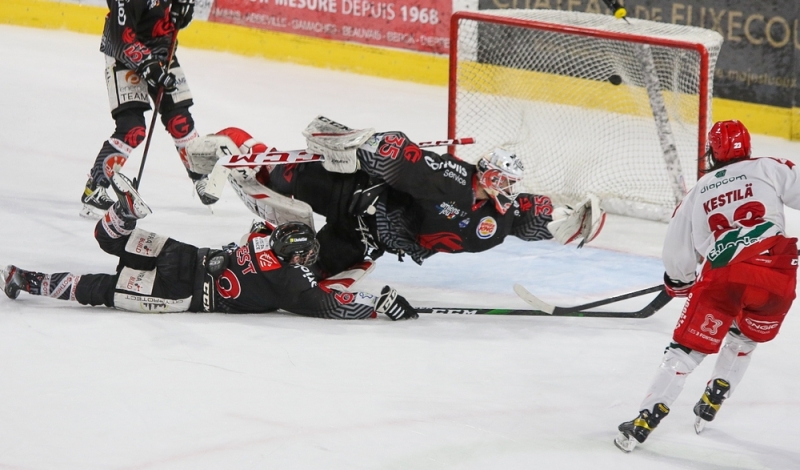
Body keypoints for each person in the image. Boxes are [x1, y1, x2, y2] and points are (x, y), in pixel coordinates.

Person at [182, 116, 607, 276]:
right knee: (269, 173)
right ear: (490, 175)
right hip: (349, 193)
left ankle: (254, 249)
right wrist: (367, 144)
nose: (512, 191)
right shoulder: (451, 176)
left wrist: (569, 219)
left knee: (308, 273)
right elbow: (404, 156)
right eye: (507, 182)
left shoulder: (497, 217)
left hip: (371, 237)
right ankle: (226, 142)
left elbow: (535, 215)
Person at [614, 120, 800, 453]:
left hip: (725, 276)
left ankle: (645, 420)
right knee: (743, 339)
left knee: (685, 352)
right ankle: (716, 396)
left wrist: (679, 280)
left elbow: (678, 251)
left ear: (712, 153)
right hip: (777, 275)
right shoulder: (769, 167)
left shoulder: (698, 190)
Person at [5, 172, 418, 321]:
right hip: (178, 295)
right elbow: (333, 306)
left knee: (107, 239)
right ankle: (26, 279)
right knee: (97, 289)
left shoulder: (261, 239)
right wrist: (379, 304)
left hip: (185, 256)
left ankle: (126, 211)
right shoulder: (293, 284)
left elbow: (251, 233)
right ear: (302, 257)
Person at [79, 0, 218, 219]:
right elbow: (119, 39)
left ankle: (199, 176)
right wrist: (148, 66)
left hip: (162, 52)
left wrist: (179, 18)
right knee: (132, 129)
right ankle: (94, 189)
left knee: (180, 121)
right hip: (124, 56)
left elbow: (168, 17)